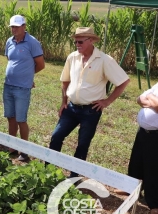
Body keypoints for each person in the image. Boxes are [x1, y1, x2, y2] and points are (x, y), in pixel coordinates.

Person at [48, 27, 130, 178]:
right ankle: (48, 171)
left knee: (83, 144)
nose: (77, 45)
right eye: (75, 42)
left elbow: (124, 81)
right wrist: (63, 102)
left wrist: (107, 101)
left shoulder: (105, 60)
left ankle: (74, 178)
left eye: (80, 42)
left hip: (90, 111)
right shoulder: (72, 57)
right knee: (56, 136)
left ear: (91, 40)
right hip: (71, 108)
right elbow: (65, 81)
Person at [3, 15, 45, 162]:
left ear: (24, 26)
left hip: (22, 88)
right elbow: (10, 60)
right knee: (10, 117)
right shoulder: (9, 41)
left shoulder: (32, 43)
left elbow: (40, 64)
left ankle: (24, 151)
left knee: (21, 119)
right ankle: (12, 147)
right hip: (8, 85)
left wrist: (28, 77)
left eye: (17, 26)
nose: (14, 29)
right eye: (12, 27)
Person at [126, 82, 158, 214]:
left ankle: (154, 203)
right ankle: (132, 189)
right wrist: (151, 100)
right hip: (143, 132)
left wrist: (150, 98)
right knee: (136, 162)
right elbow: (139, 98)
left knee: (153, 168)